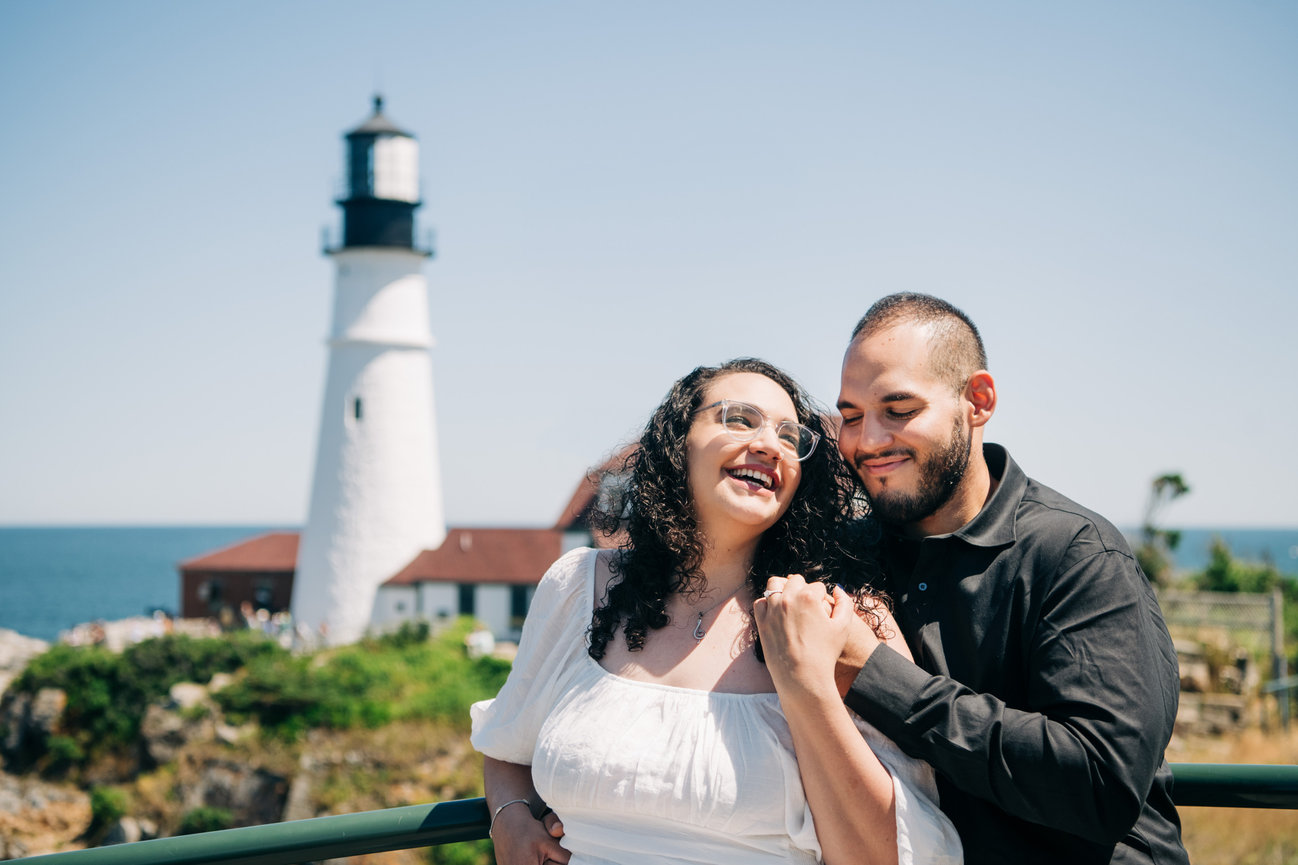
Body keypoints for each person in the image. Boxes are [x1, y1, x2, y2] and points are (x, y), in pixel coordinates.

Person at [470, 358, 962, 865]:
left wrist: (806, 683)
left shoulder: (841, 616)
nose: (770, 444)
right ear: (679, 442)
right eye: (739, 418)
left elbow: (887, 856)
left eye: (790, 436)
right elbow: (508, 742)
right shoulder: (579, 585)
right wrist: (507, 818)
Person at [762, 293, 1189, 864]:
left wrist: (875, 674)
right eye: (853, 415)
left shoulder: (1075, 554)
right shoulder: (846, 556)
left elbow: (1099, 782)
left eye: (899, 409)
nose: (867, 441)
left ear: (978, 401)